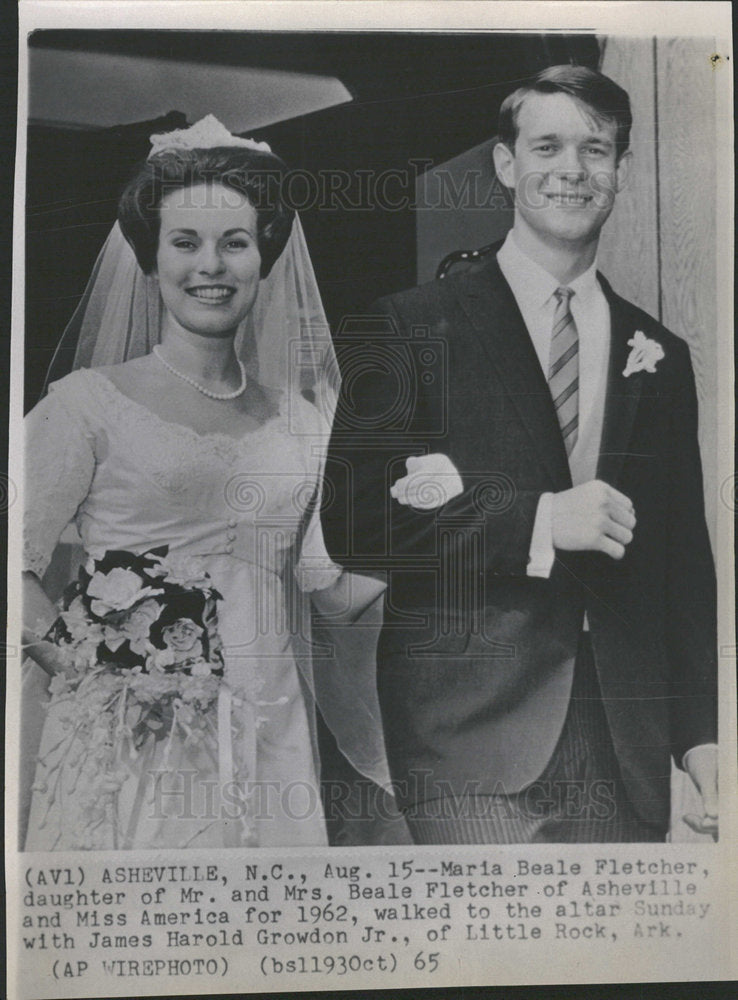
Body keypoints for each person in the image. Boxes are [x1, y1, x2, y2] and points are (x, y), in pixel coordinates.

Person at [323, 65, 718, 844]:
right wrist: (537, 520)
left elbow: (681, 561)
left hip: (624, 747)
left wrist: (699, 735)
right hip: (468, 742)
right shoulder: (408, 325)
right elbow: (356, 522)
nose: (571, 170)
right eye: (547, 146)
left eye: (595, 150)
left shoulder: (659, 353)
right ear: (506, 165)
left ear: (620, 172)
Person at [21, 115, 388, 851]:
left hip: (270, 724)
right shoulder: (86, 404)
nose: (210, 266)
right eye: (185, 243)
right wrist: (102, 669)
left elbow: (335, 593)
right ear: (151, 263)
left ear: (264, 258)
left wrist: (430, 519)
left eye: (235, 243)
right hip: (127, 731)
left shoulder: (306, 422)